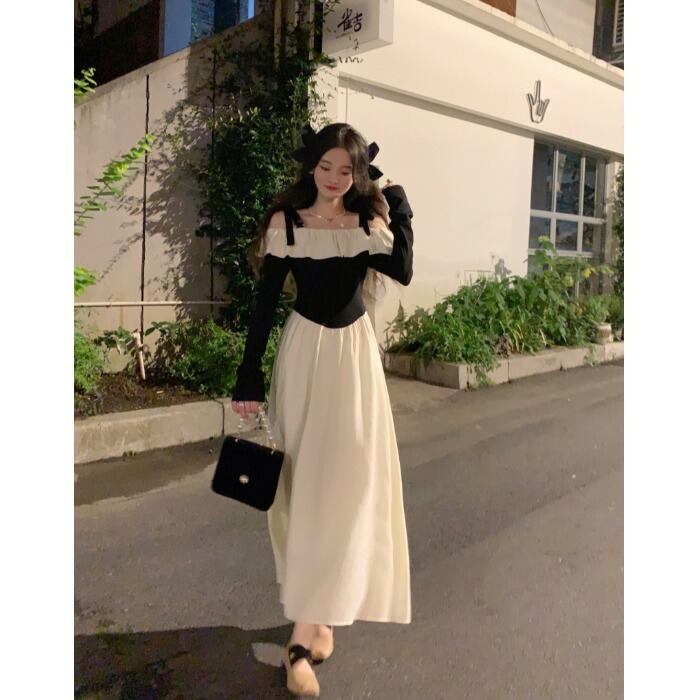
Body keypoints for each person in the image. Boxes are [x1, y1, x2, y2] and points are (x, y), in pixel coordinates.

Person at [230, 122, 414, 697]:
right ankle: (300, 643)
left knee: (352, 487)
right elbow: (264, 303)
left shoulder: (365, 223)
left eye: (347, 170)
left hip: (355, 360)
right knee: (304, 489)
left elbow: (402, 269)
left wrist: (399, 204)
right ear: (311, 166)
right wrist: (248, 373)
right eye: (327, 166)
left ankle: (323, 612)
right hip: (304, 357)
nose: (335, 178)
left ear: (359, 174)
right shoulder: (286, 224)